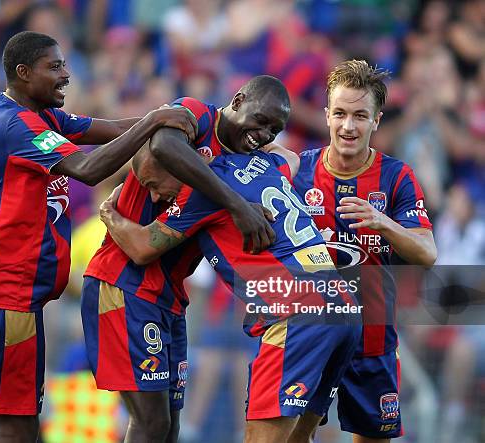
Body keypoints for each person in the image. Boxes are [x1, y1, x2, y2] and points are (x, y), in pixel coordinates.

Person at [0, 31, 273, 443]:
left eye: (65, 64)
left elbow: (108, 128)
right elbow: (87, 169)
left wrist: (155, 118)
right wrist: (157, 121)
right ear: (22, 73)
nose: (66, 74)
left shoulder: (32, 115)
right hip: (1, 294)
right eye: (54, 67)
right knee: (19, 427)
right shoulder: (18, 124)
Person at [98, 143, 362, 443]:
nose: (155, 197)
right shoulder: (262, 164)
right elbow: (290, 156)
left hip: (298, 315)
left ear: (183, 166)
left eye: (154, 184)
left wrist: (108, 213)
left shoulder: (199, 192)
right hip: (343, 307)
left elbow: (141, 248)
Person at [81, 75, 295, 443]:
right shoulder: (198, 115)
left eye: (274, 129)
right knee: (151, 424)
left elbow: (288, 159)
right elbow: (163, 145)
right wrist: (236, 204)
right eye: (261, 121)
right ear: (239, 99)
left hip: (168, 298)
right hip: (122, 285)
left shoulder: (241, 164)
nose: (264, 134)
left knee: (170, 428)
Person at [290, 59, 437, 443]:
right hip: (311, 337)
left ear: (376, 120)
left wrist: (383, 221)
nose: (348, 126)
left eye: (359, 115)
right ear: (326, 115)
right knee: (291, 436)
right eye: (339, 114)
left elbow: (427, 252)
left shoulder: (396, 177)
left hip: (372, 340)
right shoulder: (296, 172)